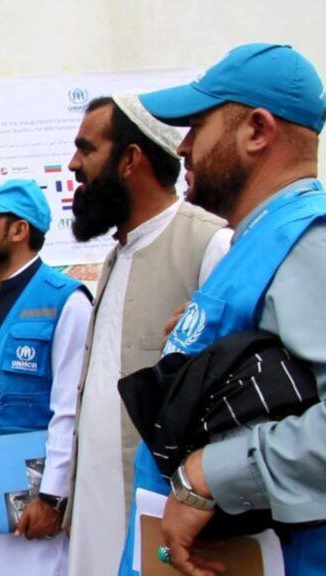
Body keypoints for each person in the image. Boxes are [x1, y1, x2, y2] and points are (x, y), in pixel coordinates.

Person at [120, 43, 326, 576]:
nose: (183, 147)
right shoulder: (259, 241)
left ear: (256, 131)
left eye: (196, 126)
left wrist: (212, 474)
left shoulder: (310, 243)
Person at [63, 93, 231, 576]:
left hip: (161, 515)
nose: (74, 165)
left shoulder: (209, 243)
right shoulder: (117, 256)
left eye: (86, 149)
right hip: (95, 509)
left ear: (130, 159)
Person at [0, 179, 92, 575]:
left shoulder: (66, 302)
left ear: (19, 230)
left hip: (35, 490)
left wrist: (53, 497)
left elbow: (71, 411)